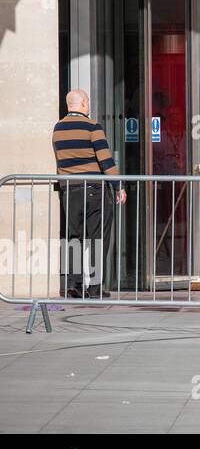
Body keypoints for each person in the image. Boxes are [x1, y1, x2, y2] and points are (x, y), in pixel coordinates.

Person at [51, 90, 125, 299]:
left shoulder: (57, 129)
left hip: (70, 190)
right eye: (88, 102)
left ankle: (72, 285)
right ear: (83, 103)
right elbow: (106, 161)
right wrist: (119, 186)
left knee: (73, 237)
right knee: (97, 238)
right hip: (94, 189)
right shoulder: (92, 127)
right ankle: (94, 286)